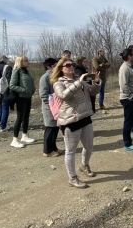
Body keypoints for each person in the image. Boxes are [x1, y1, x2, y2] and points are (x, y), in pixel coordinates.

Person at [52, 57, 102, 188]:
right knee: (71, 151)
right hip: (70, 120)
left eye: (72, 64)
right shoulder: (58, 83)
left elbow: (93, 92)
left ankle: (84, 165)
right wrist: (79, 82)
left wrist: (96, 82)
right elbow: (63, 96)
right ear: (61, 69)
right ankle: (72, 178)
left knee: (89, 146)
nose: (71, 67)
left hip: (85, 116)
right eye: (67, 65)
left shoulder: (78, 79)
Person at [9, 55, 36, 148]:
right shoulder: (17, 71)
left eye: (27, 60)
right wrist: (24, 90)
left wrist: (32, 90)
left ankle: (25, 135)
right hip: (21, 97)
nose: (28, 62)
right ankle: (15, 139)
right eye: (25, 60)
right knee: (20, 117)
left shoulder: (27, 71)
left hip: (28, 97)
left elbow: (31, 82)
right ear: (20, 62)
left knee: (26, 117)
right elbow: (12, 85)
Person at [38, 58, 61, 157]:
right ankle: (47, 151)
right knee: (50, 129)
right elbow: (43, 94)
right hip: (49, 108)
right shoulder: (45, 77)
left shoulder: (54, 76)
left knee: (55, 128)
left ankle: (53, 147)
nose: (57, 67)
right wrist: (51, 105)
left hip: (56, 107)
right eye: (55, 65)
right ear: (49, 67)